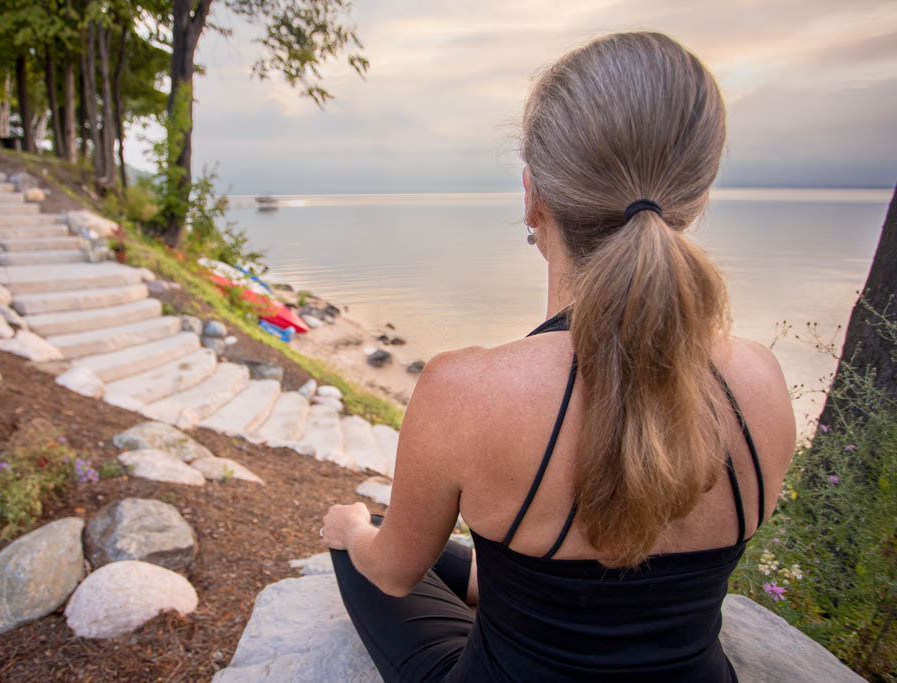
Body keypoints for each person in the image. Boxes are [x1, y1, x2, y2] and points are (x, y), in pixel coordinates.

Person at [321, 31, 796, 682]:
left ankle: (400, 548)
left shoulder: (467, 389)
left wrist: (349, 532)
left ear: (531, 194)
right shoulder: (762, 383)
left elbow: (397, 573)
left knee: (365, 539)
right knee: (467, 551)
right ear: (695, 195)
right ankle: (492, 577)